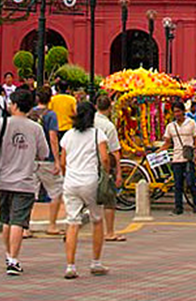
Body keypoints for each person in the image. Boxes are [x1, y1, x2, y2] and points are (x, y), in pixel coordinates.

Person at [0, 86, 48, 276]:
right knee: (18, 221)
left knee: (7, 220)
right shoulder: (36, 128)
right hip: (25, 181)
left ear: (14, 105)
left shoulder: (2, 124)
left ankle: (8, 255)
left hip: (3, 179)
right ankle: (14, 261)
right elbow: (44, 153)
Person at [59, 100, 110, 279]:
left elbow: (63, 161)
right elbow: (104, 159)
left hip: (71, 182)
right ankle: (95, 262)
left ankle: (70, 266)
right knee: (97, 220)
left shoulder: (68, 135)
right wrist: (108, 172)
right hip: (90, 182)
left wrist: (67, 174)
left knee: (72, 223)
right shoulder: (98, 134)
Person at [94, 93, 126, 242]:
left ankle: (70, 230)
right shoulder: (108, 126)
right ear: (109, 108)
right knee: (109, 199)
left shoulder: (88, 122)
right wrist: (118, 172)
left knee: (82, 199)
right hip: (103, 164)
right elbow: (115, 151)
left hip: (86, 163)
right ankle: (110, 232)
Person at [33, 88, 65, 237]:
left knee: (29, 194)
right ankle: (52, 224)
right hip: (47, 159)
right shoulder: (51, 115)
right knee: (56, 192)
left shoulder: (30, 113)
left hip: (31, 158)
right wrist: (57, 159)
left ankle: (24, 227)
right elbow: (53, 137)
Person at [162, 102, 196, 214]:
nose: (177, 114)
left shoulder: (191, 123)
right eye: (175, 112)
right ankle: (178, 207)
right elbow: (167, 143)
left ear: (183, 111)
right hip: (176, 158)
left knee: (191, 182)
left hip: (188, 157)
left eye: (179, 111)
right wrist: (157, 153)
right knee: (177, 184)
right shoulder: (170, 126)